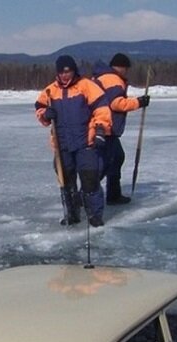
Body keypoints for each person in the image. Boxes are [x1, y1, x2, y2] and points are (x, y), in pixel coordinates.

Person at [35, 55, 112, 227]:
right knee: (66, 181)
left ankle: (94, 215)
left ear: (74, 70)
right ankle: (72, 214)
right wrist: (46, 114)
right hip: (62, 145)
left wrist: (100, 130)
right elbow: (39, 109)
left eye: (68, 71)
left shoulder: (86, 86)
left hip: (86, 142)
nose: (65, 75)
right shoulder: (50, 91)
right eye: (61, 72)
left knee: (90, 179)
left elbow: (102, 110)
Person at [91, 53, 150, 205]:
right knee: (106, 163)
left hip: (102, 126)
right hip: (105, 127)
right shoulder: (113, 79)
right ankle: (88, 193)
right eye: (126, 69)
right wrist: (138, 102)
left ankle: (113, 194)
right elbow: (116, 103)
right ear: (122, 67)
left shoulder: (104, 76)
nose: (127, 72)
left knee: (116, 158)